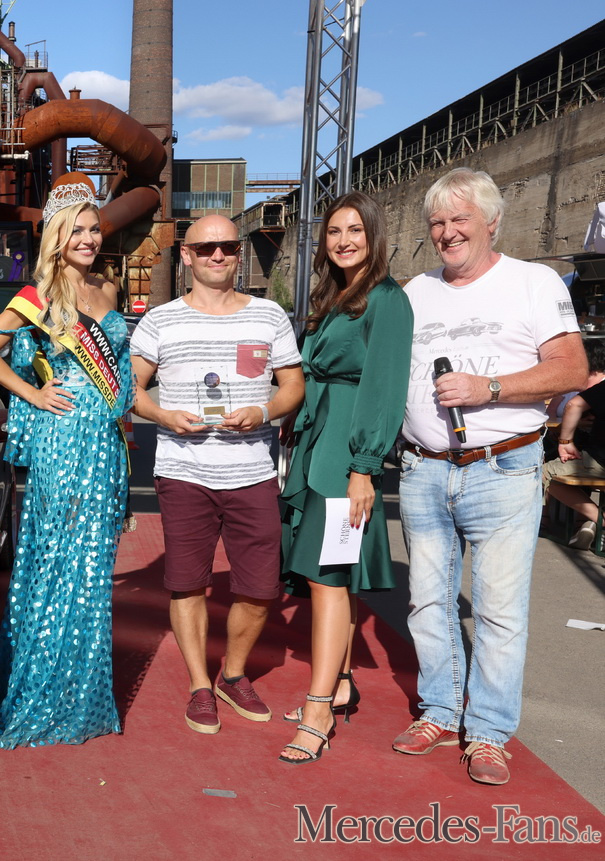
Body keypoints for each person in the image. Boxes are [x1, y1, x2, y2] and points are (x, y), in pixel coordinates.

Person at [396, 167, 586, 786]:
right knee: (427, 603)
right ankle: (440, 710)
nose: (447, 232)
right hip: (423, 469)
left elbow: (571, 369)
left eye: (460, 219)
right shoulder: (416, 290)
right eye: (437, 222)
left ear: (492, 222)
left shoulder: (533, 282)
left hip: (503, 468)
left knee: (499, 611)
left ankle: (488, 731)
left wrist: (491, 388)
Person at [0, 172, 133, 748]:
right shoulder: (36, 297)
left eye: (94, 229)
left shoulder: (108, 290)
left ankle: (77, 686)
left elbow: (123, 371)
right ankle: (42, 682)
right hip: (62, 441)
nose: (88, 239)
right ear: (57, 237)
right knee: (59, 561)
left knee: (92, 567)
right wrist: (33, 394)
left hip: (104, 443)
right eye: (77, 230)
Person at [129, 215, 304, 736]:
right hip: (183, 471)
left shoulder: (269, 315)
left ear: (239, 252)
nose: (218, 256)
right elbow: (129, 390)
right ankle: (199, 685)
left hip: (252, 471)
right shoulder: (160, 321)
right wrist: (163, 416)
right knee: (187, 585)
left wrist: (264, 411)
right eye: (206, 248)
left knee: (261, 588)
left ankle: (233, 674)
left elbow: (293, 386)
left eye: (227, 246)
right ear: (186, 255)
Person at [277, 192, 413, 764]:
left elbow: (385, 388)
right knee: (326, 577)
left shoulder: (387, 300)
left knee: (328, 578)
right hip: (318, 447)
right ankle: (339, 684)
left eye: (354, 230)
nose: (343, 241)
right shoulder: (336, 297)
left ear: (373, 235)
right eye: (334, 231)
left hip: (345, 459)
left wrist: (364, 469)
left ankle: (317, 710)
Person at [543, 340, 605, 549]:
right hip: (589, 454)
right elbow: (552, 412)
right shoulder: (572, 384)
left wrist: (565, 441)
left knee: (546, 472)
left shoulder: (599, 388)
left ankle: (596, 519)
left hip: (597, 458)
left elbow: (574, 405)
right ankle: (585, 523)